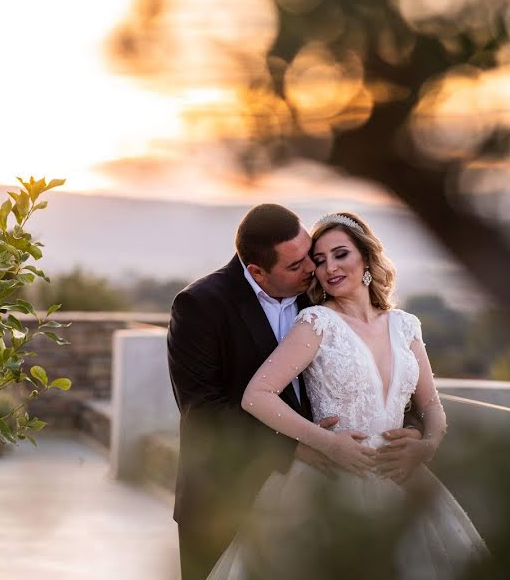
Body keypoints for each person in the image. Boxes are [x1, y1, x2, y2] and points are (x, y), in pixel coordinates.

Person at [207, 212, 488, 579]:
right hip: (328, 486)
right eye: (319, 260)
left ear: (366, 257)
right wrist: (325, 442)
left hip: (402, 482)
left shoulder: (405, 326)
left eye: (341, 254)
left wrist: (426, 445)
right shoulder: (317, 323)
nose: (329, 268)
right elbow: (256, 395)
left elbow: (431, 405)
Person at [167, 205, 427, 580]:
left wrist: (415, 431)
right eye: (296, 265)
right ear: (257, 271)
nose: (312, 269)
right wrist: (300, 445)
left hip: (319, 501)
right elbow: (204, 410)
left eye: (310, 255)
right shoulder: (200, 305)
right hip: (224, 495)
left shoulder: (321, 298)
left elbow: (385, 377)